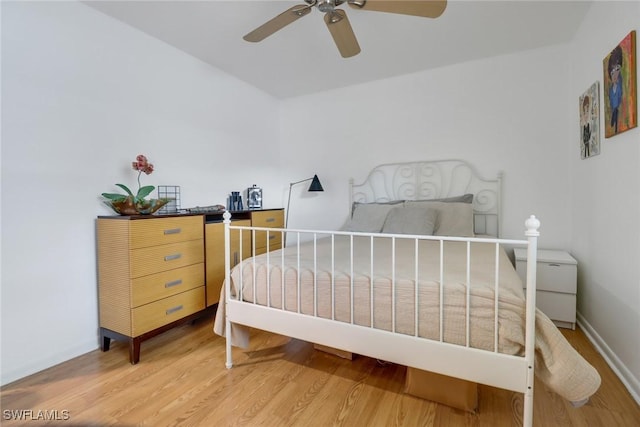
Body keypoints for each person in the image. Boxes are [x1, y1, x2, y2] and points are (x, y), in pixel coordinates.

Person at [607, 46, 623, 134]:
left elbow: (620, 94)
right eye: (612, 73)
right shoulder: (610, 89)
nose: (614, 75)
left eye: (617, 70)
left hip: (617, 109)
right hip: (614, 109)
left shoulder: (620, 84)